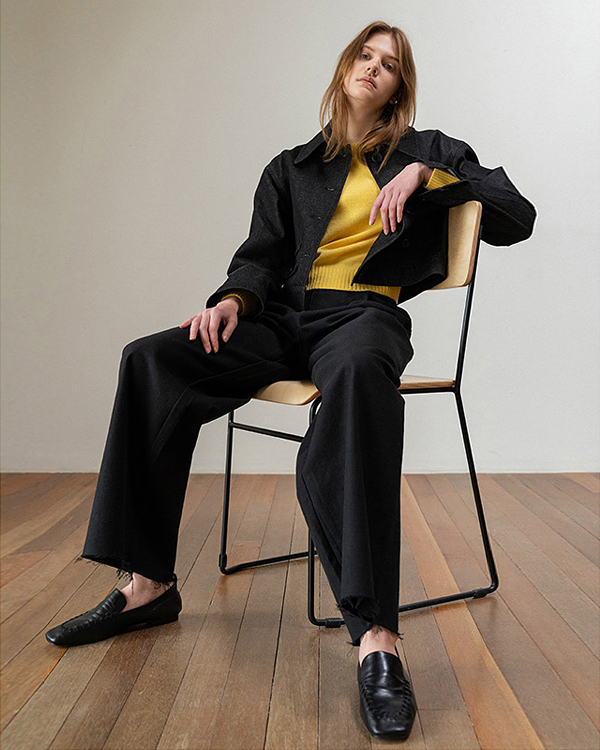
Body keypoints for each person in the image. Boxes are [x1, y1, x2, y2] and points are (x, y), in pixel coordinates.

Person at [45, 20, 536, 741]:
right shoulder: (291, 168)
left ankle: (376, 639)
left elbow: (516, 215)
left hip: (364, 318)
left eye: (390, 64)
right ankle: (146, 584)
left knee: (360, 376)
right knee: (150, 359)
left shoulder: (429, 149)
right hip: (283, 319)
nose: (374, 68)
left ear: (400, 88)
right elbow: (258, 259)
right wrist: (230, 302)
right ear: (345, 68)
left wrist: (426, 176)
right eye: (365, 55)